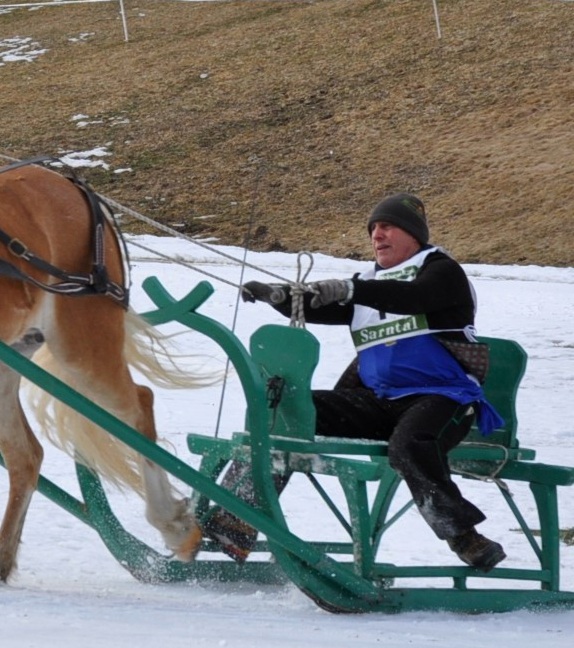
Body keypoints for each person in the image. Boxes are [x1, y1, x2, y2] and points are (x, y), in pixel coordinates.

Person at [216, 193, 506, 572]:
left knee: (409, 447)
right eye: (373, 229)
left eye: (387, 226)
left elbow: (416, 297)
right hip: (380, 403)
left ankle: (463, 535)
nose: (377, 234)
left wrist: (351, 289)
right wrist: (281, 299)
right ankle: (236, 521)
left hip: (443, 399)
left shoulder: (440, 270)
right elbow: (326, 305)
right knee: (283, 412)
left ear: (414, 235)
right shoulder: (370, 281)